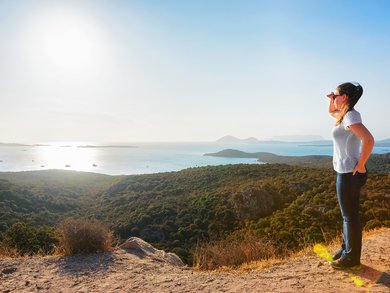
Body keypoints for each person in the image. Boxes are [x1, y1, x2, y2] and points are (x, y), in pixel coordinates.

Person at [327, 82, 374, 269]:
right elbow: (331, 112)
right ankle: (346, 249)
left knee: (350, 216)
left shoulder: (350, 116)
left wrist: (361, 164)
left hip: (349, 173)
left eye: (337, 95)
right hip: (345, 172)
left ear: (345, 97)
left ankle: (352, 258)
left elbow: (368, 140)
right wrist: (331, 99)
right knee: (347, 215)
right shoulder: (344, 115)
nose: (334, 99)